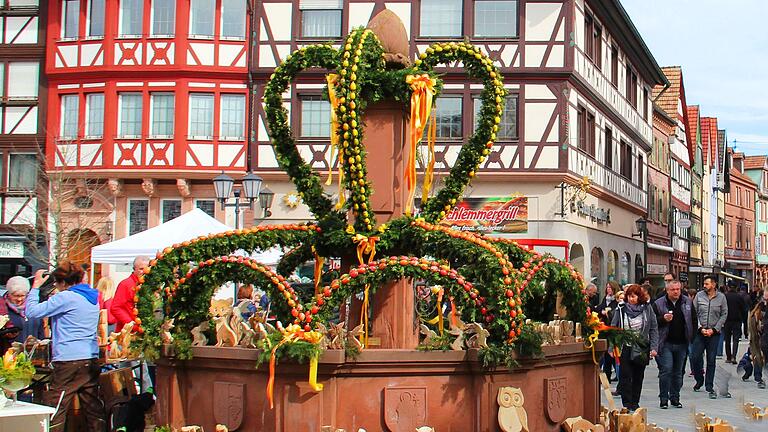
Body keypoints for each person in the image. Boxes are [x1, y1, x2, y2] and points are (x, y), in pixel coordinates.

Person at [26, 265, 105, 432]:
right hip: (89, 356)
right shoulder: (92, 297)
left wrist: (35, 287)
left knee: (56, 405)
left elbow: (32, 312)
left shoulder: (66, 297)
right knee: (93, 407)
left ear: (63, 282)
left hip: (68, 358)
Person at [610, 284, 658, 412]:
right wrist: (611, 347)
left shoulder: (647, 309)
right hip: (625, 346)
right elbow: (613, 328)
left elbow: (653, 328)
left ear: (639, 297)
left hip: (641, 347)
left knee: (638, 376)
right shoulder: (621, 309)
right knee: (625, 375)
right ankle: (626, 402)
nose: (632, 299)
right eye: (630, 296)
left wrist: (654, 347)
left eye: (634, 296)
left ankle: (635, 402)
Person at [654, 280, 696, 409]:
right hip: (665, 342)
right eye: (673, 289)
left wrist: (691, 336)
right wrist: (662, 319)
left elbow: (693, 320)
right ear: (667, 290)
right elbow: (652, 322)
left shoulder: (687, 302)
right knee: (666, 370)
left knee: (678, 372)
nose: (676, 291)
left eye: (678, 289)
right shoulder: (659, 303)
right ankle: (663, 399)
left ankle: (675, 398)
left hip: (682, 342)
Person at [690, 275, 729, 399]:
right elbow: (693, 313)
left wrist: (714, 329)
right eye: (704, 284)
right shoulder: (699, 296)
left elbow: (724, 314)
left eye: (707, 284)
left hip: (714, 333)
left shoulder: (721, 297)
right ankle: (699, 379)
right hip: (700, 332)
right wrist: (700, 328)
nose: (704, 286)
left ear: (714, 285)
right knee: (695, 357)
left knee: (711, 360)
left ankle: (709, 385)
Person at [0, 276, 44, 354]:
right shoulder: (3, 309)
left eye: (22, 296)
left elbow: (40, 331)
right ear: (9, 293)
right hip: (10, 356)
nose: (19, 299)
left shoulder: (33, 308)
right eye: (16, 296)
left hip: (34, 356)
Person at [111, 256, 149, 332]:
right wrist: (132, 324)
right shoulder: (125, 284)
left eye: (146, 268)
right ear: (134, 269)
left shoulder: (150, 285)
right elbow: (116, 308)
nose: (144, 271)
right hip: (128, 332)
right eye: (141, 269)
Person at [596, 281, 620, 381]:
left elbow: (616, 313)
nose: (608, 289)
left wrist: (609, 312)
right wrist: (601, 312)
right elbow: (598, 309)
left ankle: (612, 376)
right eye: (607, 287)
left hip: (612, 330)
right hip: (603, 329)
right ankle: (606, 377)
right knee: (605, 354)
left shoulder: (617, 301)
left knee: (612, 355)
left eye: (610, 287)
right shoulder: (605, 299)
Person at [723, 282, 746, 364]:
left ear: (728, 287)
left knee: (727, 339)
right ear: (736, 288)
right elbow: (744, 309)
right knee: (736, 339)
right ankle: (734, 357)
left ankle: (728, 357)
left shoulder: (725, 296)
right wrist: (743, 319)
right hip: (737, 320)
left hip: (727, 320)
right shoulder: (739, 297)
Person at [750, 289, 768, 388]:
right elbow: (753, 320)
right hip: (759, 336)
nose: (765, 300)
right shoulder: (759, 307)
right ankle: (759, 378)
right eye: (764, 298)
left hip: (764, 336)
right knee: (758, 355)